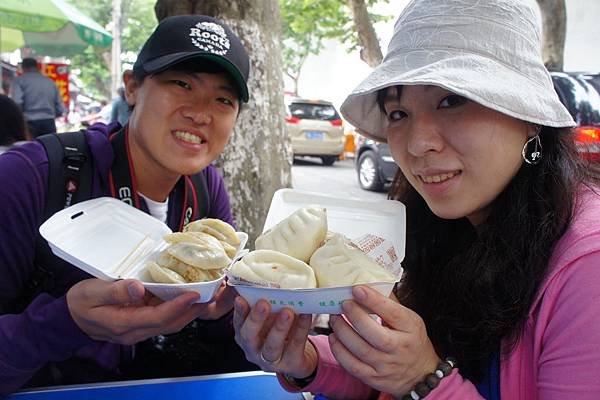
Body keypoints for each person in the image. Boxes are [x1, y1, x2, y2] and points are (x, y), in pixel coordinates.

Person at [232, 0, 600, 399]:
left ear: (528, 115)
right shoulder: (445, 229)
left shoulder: (587, 268)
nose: (419, 143)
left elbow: (419, 376)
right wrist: (307, 361)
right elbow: (392, 373)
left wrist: (426, 381)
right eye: (398, 113)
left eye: (451, 101)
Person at [0, 14, 254, 394]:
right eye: (182, 84)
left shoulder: (206, 188)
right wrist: (67, 322)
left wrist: (224, 313)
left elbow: (217, 328)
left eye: (223, 99)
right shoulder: (30, 177)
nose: (201, 113)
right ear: (132, 87)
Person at [9, 58, 65, 137]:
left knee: (31, 148)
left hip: (29, 123)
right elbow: (60, 106)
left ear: (23, 67)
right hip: (49, 122)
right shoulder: (49, 82)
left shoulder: (19, 81)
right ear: (37, 67)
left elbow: (17, 102)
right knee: (49, 147)